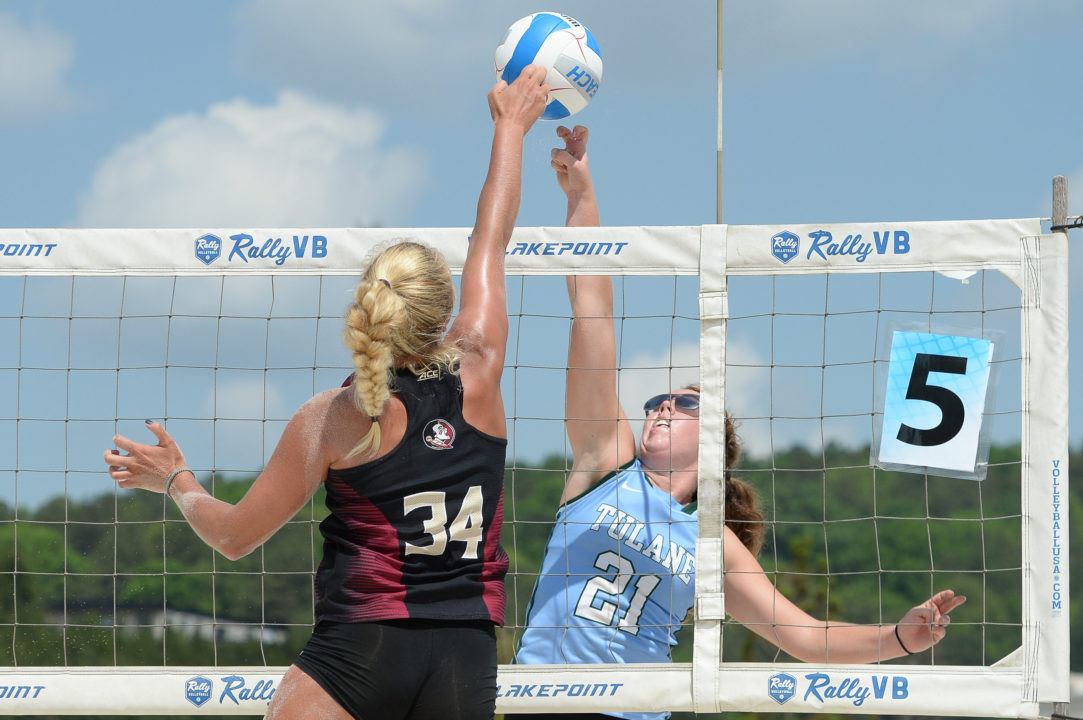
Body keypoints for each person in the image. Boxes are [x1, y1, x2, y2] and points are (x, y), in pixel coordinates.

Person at [103, 66, 551, 720]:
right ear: (443, 307)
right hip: (465, 651)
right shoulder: (480, 368)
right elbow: (492, 234)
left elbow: (233, 539)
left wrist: (177, 481)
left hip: (359, 652)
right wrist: (510, 127)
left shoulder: (337, 416)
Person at [510, 125, 967, 720]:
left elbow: (807, 639)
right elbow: (591, 318)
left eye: (684, 403)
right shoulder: (605, 465)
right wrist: (582, 200)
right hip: (544, 704)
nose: (661, 407)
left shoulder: (713, 544)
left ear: (713, 452)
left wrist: (901, 637)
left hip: (636, 711)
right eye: (657, 401)